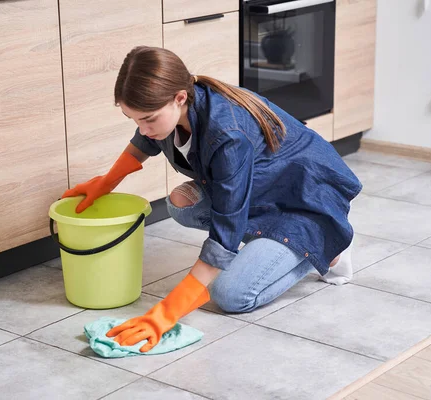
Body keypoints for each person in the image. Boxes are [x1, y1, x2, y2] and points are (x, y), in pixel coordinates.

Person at [62, 46, 362, 353]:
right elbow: (145, 140)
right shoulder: (182, 104)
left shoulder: (228, 133)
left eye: (148, 119)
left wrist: (166, 313)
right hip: (263, 192)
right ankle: (269, 246)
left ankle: (327, 247)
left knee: (231, 295)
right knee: (182, 202)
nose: (143, 128)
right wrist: (106, 182)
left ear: (179, 98)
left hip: (305, 204)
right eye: (133, 119)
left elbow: (227, 226)